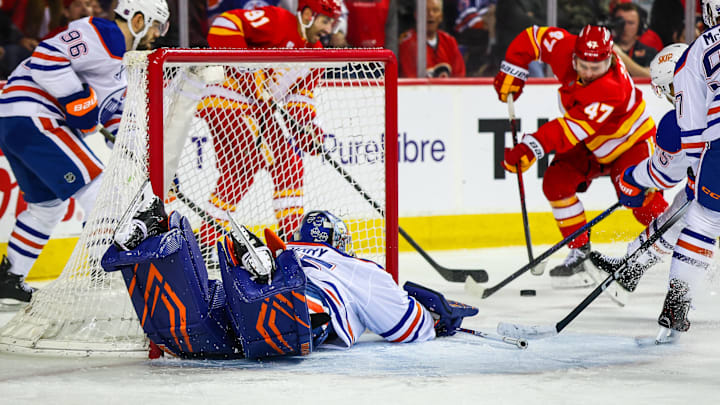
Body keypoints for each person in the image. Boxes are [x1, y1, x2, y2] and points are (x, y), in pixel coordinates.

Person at [103, 202, 478, 359]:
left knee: (196, 326)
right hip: (301, 311)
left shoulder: (294, 246)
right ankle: (268, 280)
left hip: (235, 307)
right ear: (339, 242)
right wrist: (437, 319)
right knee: (292, 308)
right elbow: (406, 328)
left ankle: (153, 236)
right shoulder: (358, 267)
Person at [0, 0, 170, 304]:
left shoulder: (127, 63)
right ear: (139, 18)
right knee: (95, 185)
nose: (158, 33)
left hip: (18, 122)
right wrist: (76, 98)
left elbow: (112, 115)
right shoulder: (105, 33)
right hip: (32, 114)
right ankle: (101, 267)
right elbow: (45, 58)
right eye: (157, 24)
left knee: (46, 207)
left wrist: (136, 151)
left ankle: (10, 278)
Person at [495, 24, 668, 289]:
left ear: (610, 60)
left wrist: (531, 146)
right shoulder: (565, 49)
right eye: (582, 65)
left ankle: (681, 239)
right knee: (555, 182)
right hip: (590, 143)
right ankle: (580, 253)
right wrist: (513, 70)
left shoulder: (611, 87)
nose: (587, 73)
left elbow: (567, 130)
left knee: (635, 196)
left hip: (629, 143)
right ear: (574, 56)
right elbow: (532, 37)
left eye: (595, 67)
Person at [195, 0, 340, 255]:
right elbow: (223, 25)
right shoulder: (278, 20)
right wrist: (245, 66)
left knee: (255, 167)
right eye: (325, 21)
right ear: (307, 14)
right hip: (226, 96)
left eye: (332, 22)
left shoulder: (315, 54)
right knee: (272, 159)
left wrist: (308, 132)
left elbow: (300, 100)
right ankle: (290, 237)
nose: (329, 29)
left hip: (256, 109)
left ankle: (208, 238)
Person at [588, 43, 692, 306]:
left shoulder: (678, 119)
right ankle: (633, 265)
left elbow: (664, 176)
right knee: (683, 209)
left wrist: (632, 179)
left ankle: (678, 299)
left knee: (693, 209)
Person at [641, 0, 720, 340]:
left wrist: (698, 164)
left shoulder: (699, 48)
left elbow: (690, 126)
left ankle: (677, 303)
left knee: (703, 219)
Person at [398, 0, 466, 78]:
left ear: (441, 16)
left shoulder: (450, 42)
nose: (430, 14)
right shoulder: (407, 44)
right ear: (416, 15)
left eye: (435, 10)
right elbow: (411, 83)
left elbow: (459, 77)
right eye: (426, 10)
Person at [611, 3, 657, 70]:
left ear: (640, 26)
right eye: (620, 22)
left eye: (630, 23)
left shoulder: (650, 52)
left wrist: (620, 55)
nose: (624, 27)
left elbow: (650, 75)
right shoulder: (603, 50)